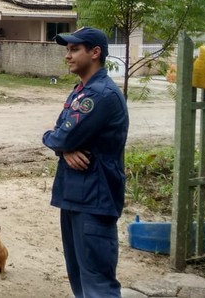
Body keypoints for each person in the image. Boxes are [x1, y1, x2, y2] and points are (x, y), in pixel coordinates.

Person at [42, 27, 129, 298]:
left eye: (74, 49)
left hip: (95, 198)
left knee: (97, 283)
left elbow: (63, 135)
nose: (68, 56)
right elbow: (58, 134)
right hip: (76, 194)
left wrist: (60, 142)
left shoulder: (100, 95)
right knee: (79, 277)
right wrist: (63, 149)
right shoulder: (81, 90)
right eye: (67, 50)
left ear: (95, 53)